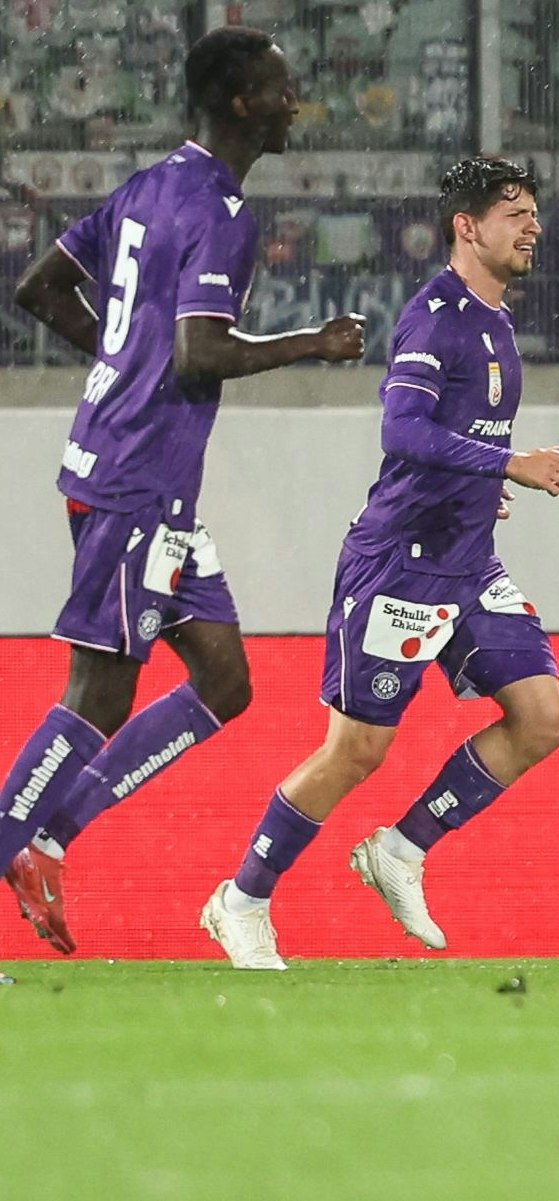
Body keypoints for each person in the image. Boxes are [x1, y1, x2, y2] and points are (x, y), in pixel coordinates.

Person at [2, 26, 366, 957]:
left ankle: (46, 838)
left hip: (135, 476)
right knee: (97, 696)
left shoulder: (146, 186)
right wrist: (311, 344)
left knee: (223, 679)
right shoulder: (221, 209)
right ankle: (16, 841)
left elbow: (41, 288)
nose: (296, 102)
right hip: (136, 478)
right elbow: (202, 350)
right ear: (242, 102)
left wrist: (124, 361)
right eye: (282, 89)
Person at [200, 155, 559, 970]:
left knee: (544, 717)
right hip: (400, 564)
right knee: (356, 752)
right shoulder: (434, 318)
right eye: (514, 213)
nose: (532, 227)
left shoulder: (497, 320)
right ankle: (241, 899)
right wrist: (506, 464)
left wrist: (476, 489)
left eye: (534, 213)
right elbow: (401, 431)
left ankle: (401, 849)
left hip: (467, 558)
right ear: (466, 227)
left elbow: (446, 443)